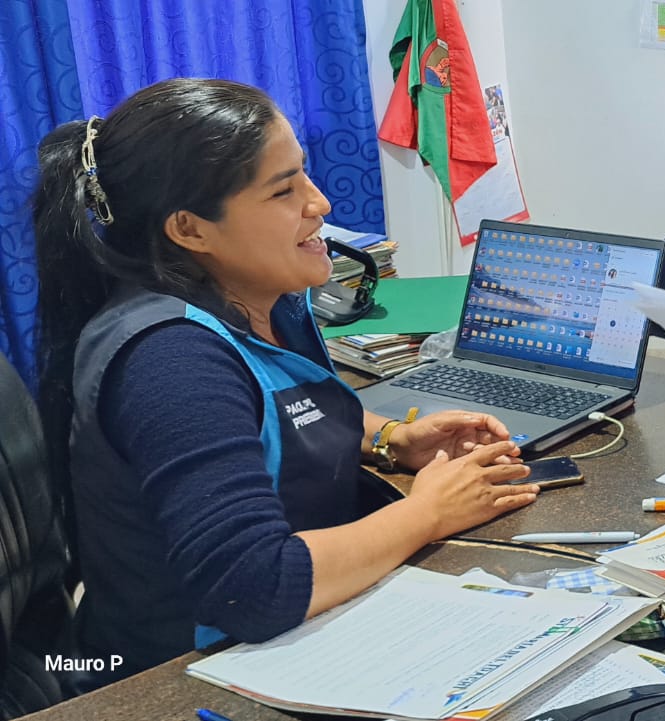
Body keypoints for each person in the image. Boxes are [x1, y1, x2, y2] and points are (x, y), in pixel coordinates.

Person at [32, 78, 539, 691]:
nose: (319, 203)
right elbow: (253, 588)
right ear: (190, 230)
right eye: (283, 190)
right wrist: (428, 513)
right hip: (183, 676)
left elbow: (271, 407)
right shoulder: (172, 360)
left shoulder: (264, 300)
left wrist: (390, 439)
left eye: (305, 174)